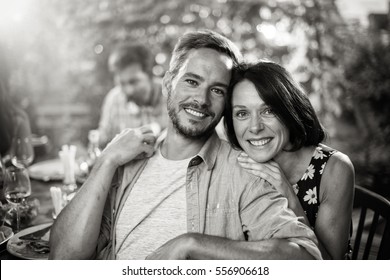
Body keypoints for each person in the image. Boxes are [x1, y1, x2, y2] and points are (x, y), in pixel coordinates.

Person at [49, 30, 322, 260]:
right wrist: (106, 160)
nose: (201, 100)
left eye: (216, 90)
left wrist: (192, 244)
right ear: (169, 82)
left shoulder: (243, 173)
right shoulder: (126, 166)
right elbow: (63, 257)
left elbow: (307, 257)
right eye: (192, 81)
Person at [224, 61, 355, 259]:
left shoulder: (334, 168)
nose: (255, 127)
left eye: (268, 111)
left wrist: (288, 195)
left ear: (289, 110)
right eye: (242, 113)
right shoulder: (236, 163)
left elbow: (330, 267)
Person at [98, 42, 168, 147]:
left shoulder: (172, 96)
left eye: (134, 82)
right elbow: (102, 143)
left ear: (149, 75)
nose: (128, 91)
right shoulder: (114, 99)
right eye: (122, 83)